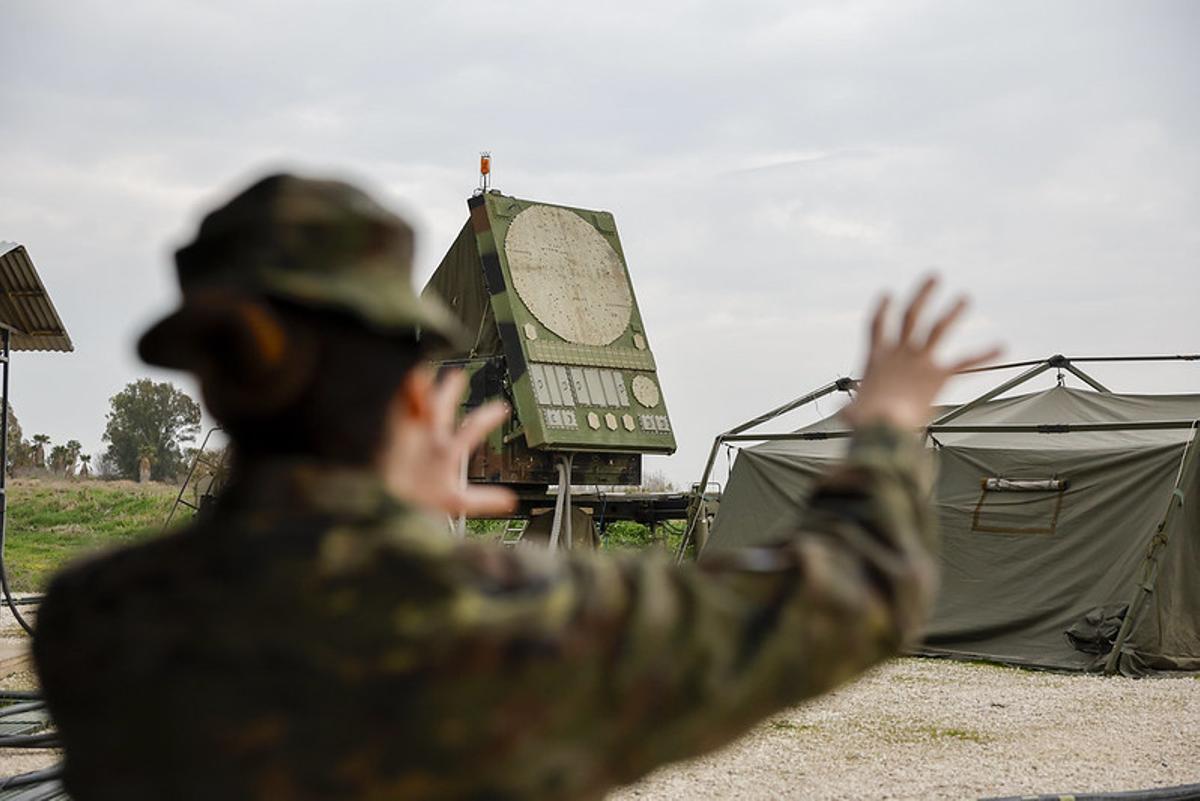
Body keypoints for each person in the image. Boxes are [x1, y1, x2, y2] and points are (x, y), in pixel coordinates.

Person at [33, 172, 998, 801]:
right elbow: (852, 595)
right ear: (414, 388)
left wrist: (390, 513)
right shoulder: (508, 623)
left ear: (213, 379)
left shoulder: (97, 621)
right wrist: (886, 423)